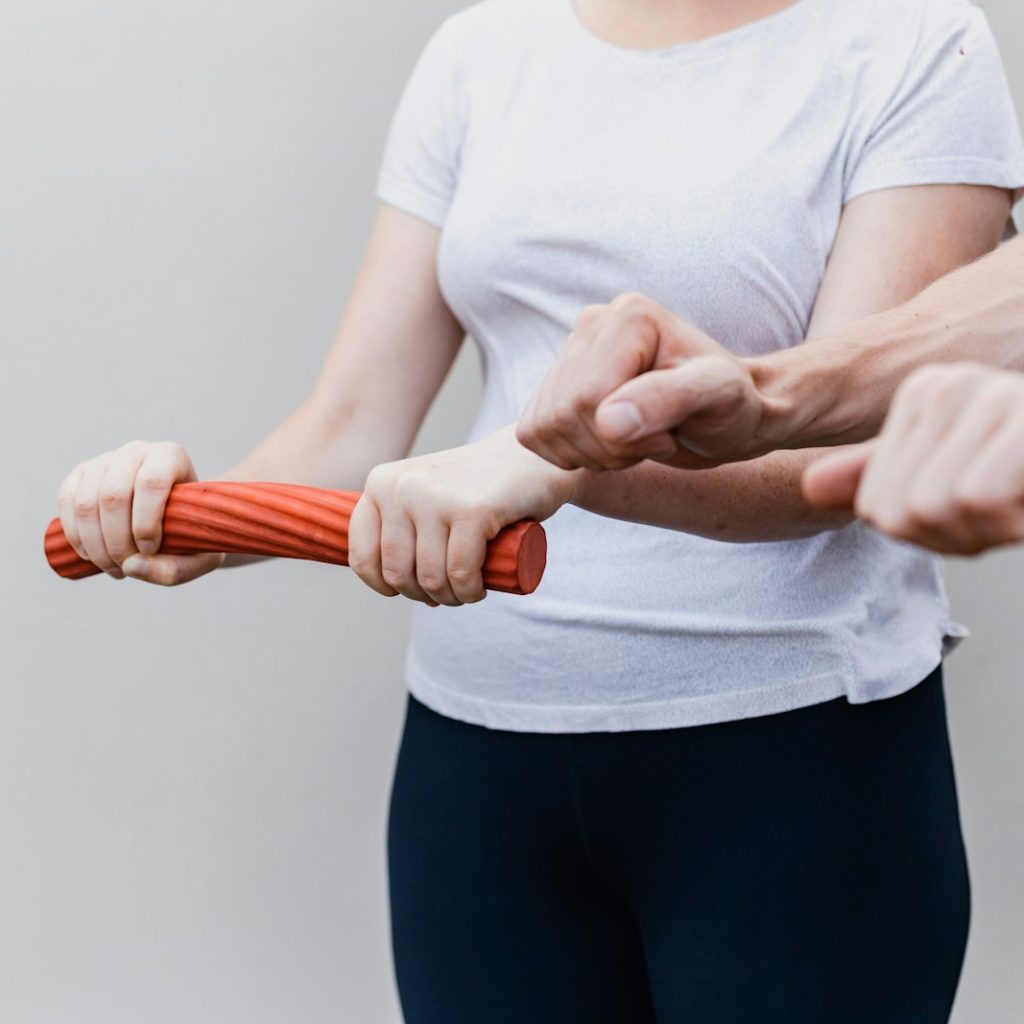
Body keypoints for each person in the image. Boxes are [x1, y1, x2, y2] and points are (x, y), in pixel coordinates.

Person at [55, 1, 1024, 1021]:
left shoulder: (914, 42)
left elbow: (834, 455)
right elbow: (349, 425)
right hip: (475, 766)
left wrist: (550, 467)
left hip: (787, 760)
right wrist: (185, 512)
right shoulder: (481, 52)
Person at [518, 235, 1024, 554]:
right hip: (466, 680)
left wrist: (548, 463)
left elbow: (823, 469)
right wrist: (763, 395)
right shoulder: (478, 67)